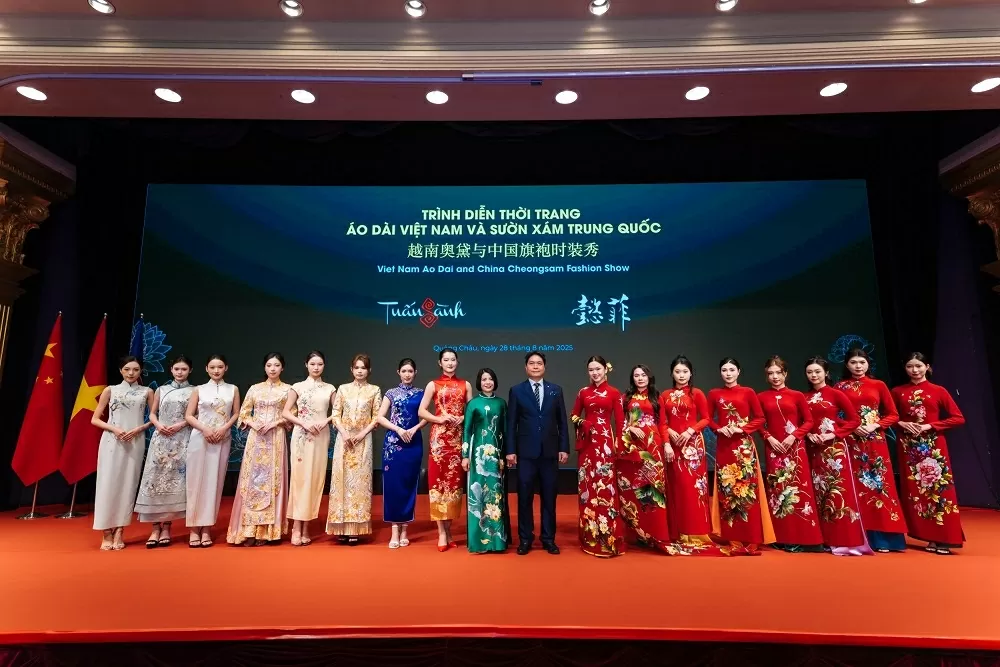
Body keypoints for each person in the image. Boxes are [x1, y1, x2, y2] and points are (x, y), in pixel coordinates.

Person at [891, 352, 967, 554]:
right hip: (909, 448)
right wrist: (902, 423)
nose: (914, 370)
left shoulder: (938, 391)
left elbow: (958, 418)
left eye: (918, 366)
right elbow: (889, 417)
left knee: (938, 491)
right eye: (910, 366)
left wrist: (930, 426)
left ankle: (945, 538)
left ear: (927, 367)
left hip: (933, 448)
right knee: (916, 494)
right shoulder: (898, 392)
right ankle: (929, 537)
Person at [834, 348, 907, 553]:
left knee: (880, 487)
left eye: (862, 362)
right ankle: (860, 537)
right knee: (856, 488)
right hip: (851, 442)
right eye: (853, 362)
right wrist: (851, 426)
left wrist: (875, 425)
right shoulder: (840, 386)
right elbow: (832, 415)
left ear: (868, 364)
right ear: (846, 364)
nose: (858, 366)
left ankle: (887, 539)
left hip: (875, 441)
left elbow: (893, 414)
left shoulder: (879, 385)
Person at [803, 356, 870, 556]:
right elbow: (802, 422)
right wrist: (808, 434)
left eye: (817, 371)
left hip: (835, 450)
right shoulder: (804, 397)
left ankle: (846, 541)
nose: (814, 375)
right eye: (809, 372)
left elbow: (854, 420)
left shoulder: (836, 394)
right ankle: (825, 538)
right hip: (814, 449)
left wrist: (833, 434)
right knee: (820, 494)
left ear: (826, 373)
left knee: (839, 492)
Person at [708, 357, 774, 555]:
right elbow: (708, 419)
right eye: (724, 370)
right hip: (724, 446)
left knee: (748, 490)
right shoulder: (714, 393)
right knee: (727, 492)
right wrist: (720, 430)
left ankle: (752, 538)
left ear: (739, 371)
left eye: (731, 370)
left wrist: (742, 429)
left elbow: (760, 418)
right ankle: (733, 538)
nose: (728, 373)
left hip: (743, 447)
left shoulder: (748, 392)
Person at [757, 355, 823, 552]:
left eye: (779, 373)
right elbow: (759, 422)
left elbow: (809, 421)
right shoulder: (761, 397)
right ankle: (782, 537)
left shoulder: (797, 395)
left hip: (795, 448)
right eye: (771, 373)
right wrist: (768, 438)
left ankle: (805, 538)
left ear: (785, 374)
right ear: (766, 376)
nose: (775, 377)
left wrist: (794, 436)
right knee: (777, 492)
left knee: (799, 491)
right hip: (773, 449)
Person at [506, 352, 570, 555]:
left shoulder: (555, 390)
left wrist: (563, 447)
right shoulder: (517, 391)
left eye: (539, 363)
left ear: (545, 366)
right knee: (524, 498)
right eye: (531, 363)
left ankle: (548, 539)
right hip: (525, 454)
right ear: (526, 367)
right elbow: (511, 423)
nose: (535, 366)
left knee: (549, 498)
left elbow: (562, 423)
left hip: (550, 453)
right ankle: (525, 539)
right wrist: (510, 451)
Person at [227, 353, 291, 546]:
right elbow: (244, 413)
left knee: (273, 481)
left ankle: (267, 531)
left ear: (282, 368)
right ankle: (248, 530)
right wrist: (254, 424)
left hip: (276, 437)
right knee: (252, 481)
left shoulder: (288, 390)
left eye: (277, 365)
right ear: (264, 367)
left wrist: (275, 422)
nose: (273, 368)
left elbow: (292, 414)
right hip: (256, 439)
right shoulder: (255, 389)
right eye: (269, 365)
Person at [91, 356, 153, 551]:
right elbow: (95, 419)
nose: (131, 373)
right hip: (112, 440)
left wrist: (139, 429)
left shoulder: (147, 392)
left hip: (135, 441)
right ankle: (105, 531)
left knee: (128, 483)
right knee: (107, 484)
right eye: (127, 369)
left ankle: (119, 531)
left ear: (140, 371)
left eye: (135, 369)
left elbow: (154, 418)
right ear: (120, 370)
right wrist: (115, 429)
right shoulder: (111, 390)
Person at [135, 354, 196, 548]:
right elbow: (152, 413)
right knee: (155, 479)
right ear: (171, 370)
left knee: (175, 481)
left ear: (190, 371)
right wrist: (158, 425)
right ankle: (155, 528)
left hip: (182, 438)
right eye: (177, 369)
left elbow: (195, 415)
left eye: (184, 369)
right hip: (161, 437)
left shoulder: (194, 391)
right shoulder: (161, 389)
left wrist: (179, 425)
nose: (180, 372)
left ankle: (167, 526)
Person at [418, 348, 473, 551]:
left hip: (458, 440)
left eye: (453, 360)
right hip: (439, 441)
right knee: (438, 484)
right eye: (446, 360)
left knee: (454, 486)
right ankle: (441, 532)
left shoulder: (465, 384)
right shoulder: (433, 384)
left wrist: (463, 418)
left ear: (457, 362)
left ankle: (449, 530)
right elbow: (421, 410)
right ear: (439, 363)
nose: (450, 363)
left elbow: (472, 411)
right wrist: (439, 418)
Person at [571, 355, 625, 557]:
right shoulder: (583, 392)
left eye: (598, 369)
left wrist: (618, 444)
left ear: (605, 369)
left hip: (605, 443)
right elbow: (574, 414)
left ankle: (607, 536)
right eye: (591, 369)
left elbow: (620, 422)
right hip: (587, 445)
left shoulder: (614, 393)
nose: (595, 373)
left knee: (606, 488)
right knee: (587, 485)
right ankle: (589, 536)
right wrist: (583, 422)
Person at [617, 364, 675, 551]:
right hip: (632, 446)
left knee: (653, 488)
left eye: (643, 375)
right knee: (633, 487)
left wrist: (666, 444)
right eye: (636, 375)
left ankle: (655, 532)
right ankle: (636, 533)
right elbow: (619, 423)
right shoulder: (625, 398)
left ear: (649, 377)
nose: (640, 378)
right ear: (632, 378)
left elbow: (663, 423)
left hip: (653, 446)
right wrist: (630, 427)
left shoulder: (656, 397)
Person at [659, 355, 714, 548]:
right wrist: (669, 436)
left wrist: (691, 430)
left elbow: (706, 418)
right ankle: (678, 531)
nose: (681, 375)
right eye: (677, 372)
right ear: (672, 373)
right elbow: (662, 422)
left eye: (685, 371)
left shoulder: (697, 393)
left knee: (694, 489)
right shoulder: (664, 395)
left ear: (691, 373)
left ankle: (697, 532)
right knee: (677, 487)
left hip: (693, 446)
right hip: (673, 446)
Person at [185, 354, 240, 548]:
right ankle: (193, 528)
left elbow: (236, 414)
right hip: (200, 438)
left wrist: (224, 429)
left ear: (226, 368)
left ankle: (207, 528)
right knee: (195, 482)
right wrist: (205, 429)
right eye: (212, 367)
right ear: (206, 369)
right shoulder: (198, 390)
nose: (216, 370)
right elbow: (189, 416)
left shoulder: (232, 389)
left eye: (220, 367)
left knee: (214, 483)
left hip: (222, 439)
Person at [327, 353, 382, 544]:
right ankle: (340, 527)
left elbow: (377, 417)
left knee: (360, 483)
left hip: (363, 441)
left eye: (363, 368)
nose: (360, 371)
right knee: (341, 481)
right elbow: (335, 414)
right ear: (351, 369)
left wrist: (361, 434)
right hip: (344, 440)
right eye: (357, 368)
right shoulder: (342, 389)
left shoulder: (374, 390)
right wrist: (344, 433)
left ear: (369, 370)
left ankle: (357, 529)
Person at [283, 350, 336, 547]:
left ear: (324, 366)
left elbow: (339, 411)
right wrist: (303, 424)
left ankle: (307, 527)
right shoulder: (297, 387)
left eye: (320, 364)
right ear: (306, 365)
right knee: (300, 479)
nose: (316, 367)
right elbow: (286, 412)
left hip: (321, 435)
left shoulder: (330, 388)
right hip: (302, 436)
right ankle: (296, 526)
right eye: (313, 364)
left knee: (315, 480)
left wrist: (326, 421)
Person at [377, 358, 426, 549]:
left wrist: (414, 429)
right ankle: (394, 530)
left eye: (410, 371)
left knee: (409, 485)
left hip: (413, 443)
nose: (407, 374)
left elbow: (426, 416)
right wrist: (398, 430)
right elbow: (380, 417)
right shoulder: (391, 393)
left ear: (415, 373)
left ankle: (405, 529)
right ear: (398, 372)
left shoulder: (421, 393)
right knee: (393, 486)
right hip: (393, 445)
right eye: (404, 371)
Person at [461, 368, 510, 553]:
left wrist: (505, 456)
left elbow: (505, 431)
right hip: (478, 457)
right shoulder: (473, 404)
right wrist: (465, 456)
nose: (487, 382)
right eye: (483, 379)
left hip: (496, 457)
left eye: (490, 379)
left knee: (496, 495)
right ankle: (477, 541)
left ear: (495, 381)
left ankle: (497, 542)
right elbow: (466, 430)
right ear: (479, 383)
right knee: (478, 494)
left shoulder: (501, 403)